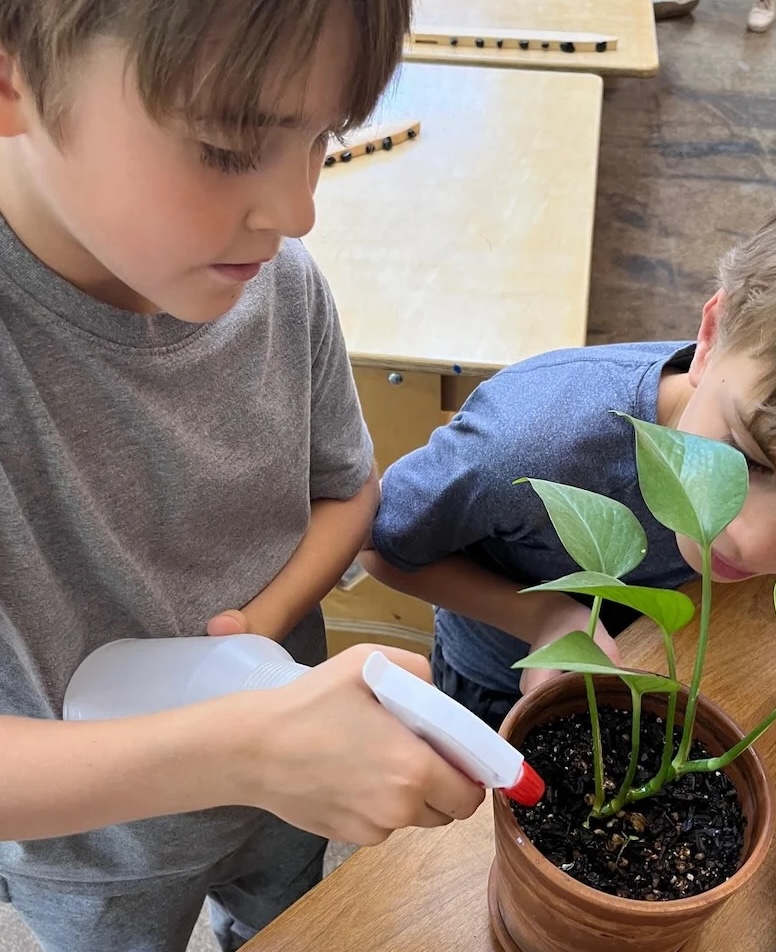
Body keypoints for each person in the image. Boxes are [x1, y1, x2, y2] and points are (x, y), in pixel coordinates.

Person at [0, 2, 483, 950]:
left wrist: (261, 636)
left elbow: (347, 489)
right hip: (94, 853)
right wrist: (247, 748)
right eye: (227, 147)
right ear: (14, 76)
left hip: (285, 790)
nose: (299, 211)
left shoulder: (282, 283)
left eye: (324, 139)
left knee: (289, 919)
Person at [362, 96, 776, 730]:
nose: (748, 539)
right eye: (750, 460)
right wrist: (542, 616)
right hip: (504, 673)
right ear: (712, 335)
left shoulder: (756, 387)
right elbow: (384, 545)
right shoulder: (532, 439)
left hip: (663, 657)